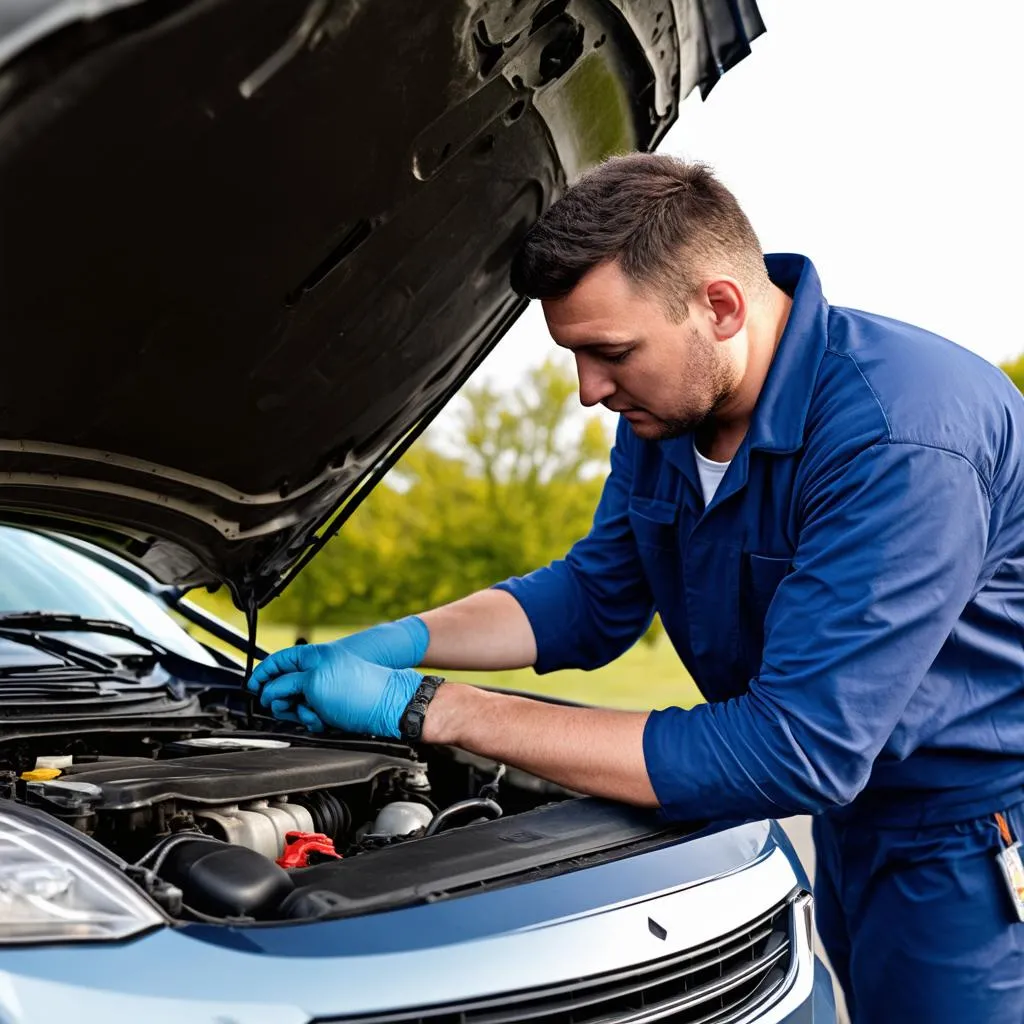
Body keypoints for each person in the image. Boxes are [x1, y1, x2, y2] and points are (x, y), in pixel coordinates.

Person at [249, 154, 1024, 1022]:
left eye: (609, 353)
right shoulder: (669, 412)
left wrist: (431, 706)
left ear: (719, 306)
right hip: (850, 824)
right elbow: (594, 597)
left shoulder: (899, 437)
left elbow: (796, 748)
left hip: (962, 836)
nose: (589, 391)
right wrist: (403, 640)